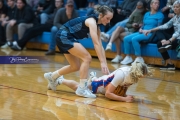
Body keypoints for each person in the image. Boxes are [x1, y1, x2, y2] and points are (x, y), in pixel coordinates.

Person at [44, 5, 114, 98]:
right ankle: (82, 89)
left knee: (75, 66)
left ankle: (52, 76)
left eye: (110, 19)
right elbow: (96, 44)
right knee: (87, 58)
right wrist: (101, 62)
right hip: (64, 36)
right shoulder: (92, 22)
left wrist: (105, 64)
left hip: (64, 36)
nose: (108, 21)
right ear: (101, 15)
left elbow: (100, 47)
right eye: (107, 18)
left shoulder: (97, 28)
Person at [47, 62, 152, 102]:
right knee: (79, 88)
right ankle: (60, 80)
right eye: (142, 75)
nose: (143, 77)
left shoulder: (134, 76)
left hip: (106, 83)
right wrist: (124, 99)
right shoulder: (122, 74)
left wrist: (124, 94)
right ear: (137, 72)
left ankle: (92, 78)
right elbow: (108, 94)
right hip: (99, 85)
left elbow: (125, 86)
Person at [120, 0, 164, 65]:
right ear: (151, 5)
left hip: (152, 34)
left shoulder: (160, 15)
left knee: (134, 39)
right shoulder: (146, 14)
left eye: (158, 4)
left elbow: (159, 28)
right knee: (126, 38)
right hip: (143, 32)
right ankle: (128, 57)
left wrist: (149, 30)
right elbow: (144, 24)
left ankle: (139, 58)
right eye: (155, 3)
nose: (157, 5)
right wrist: (141, 28)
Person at [144, 0, 180, 70]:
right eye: (174, 7)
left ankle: (166, 43)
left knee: (163, 42)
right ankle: (170, 64)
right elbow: (165, 26)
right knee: (159, 42)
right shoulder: (175, 18)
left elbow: (178, 32)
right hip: (174, 39)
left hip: (179, 41)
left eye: (177, 7)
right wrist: (150, 30)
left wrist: (169, 41)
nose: (175, 8)